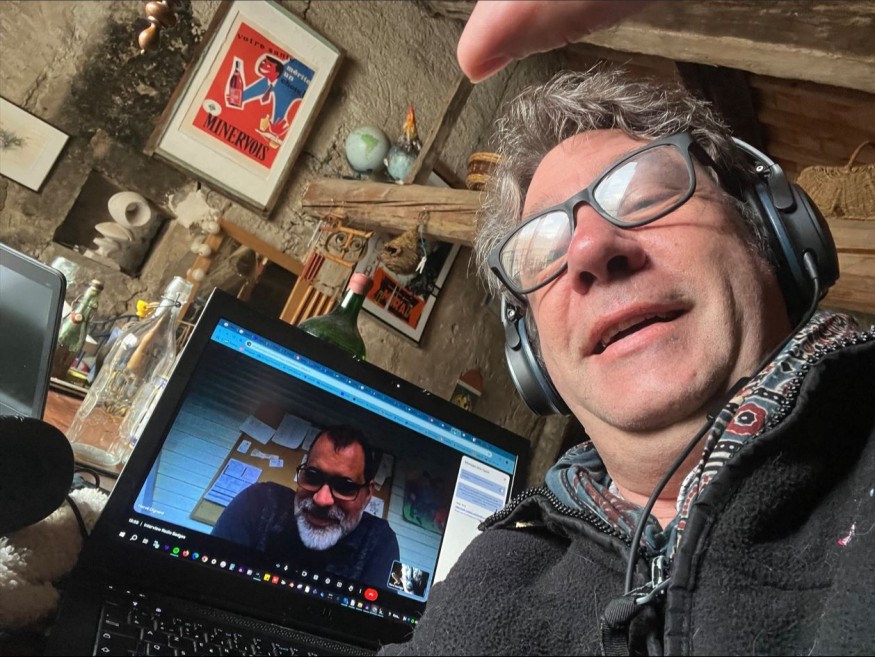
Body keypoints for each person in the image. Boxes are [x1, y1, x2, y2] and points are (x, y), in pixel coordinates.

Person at [379, 67, 875, 655]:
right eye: (545, 251)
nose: (589, 249)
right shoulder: (491, 578)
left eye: (645, 198)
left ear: (768, 231)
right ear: (534, 358)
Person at [213, 425, 399, 590]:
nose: (322, 500)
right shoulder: (258, 501)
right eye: (312, 476)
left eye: (344, 486)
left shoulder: (380, 541)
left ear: (368, 494)